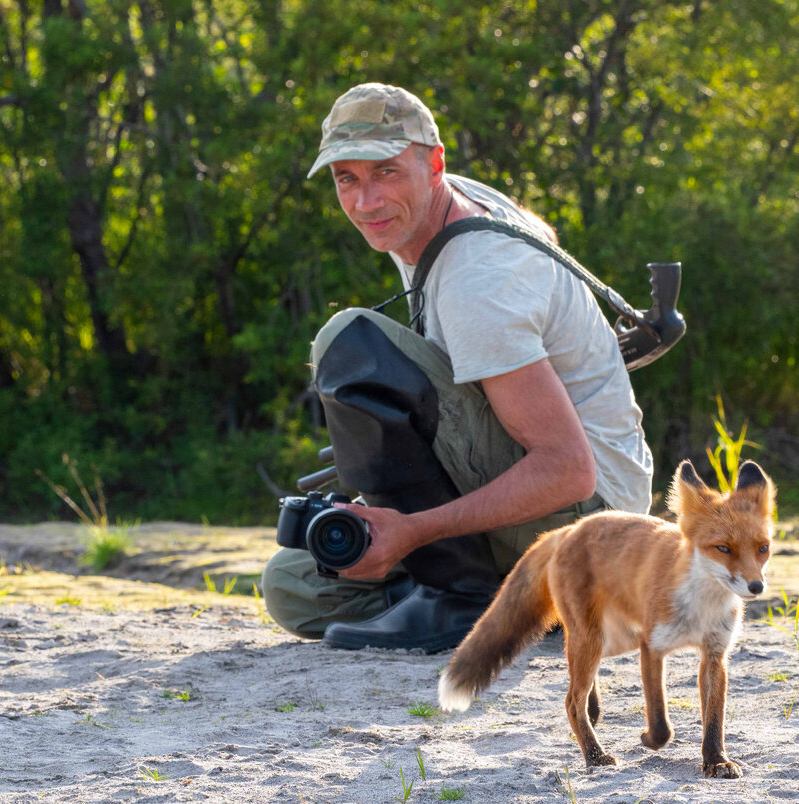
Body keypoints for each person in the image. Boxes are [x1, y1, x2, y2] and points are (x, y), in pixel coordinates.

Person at [261, 83, 653, 652]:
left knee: (349, 343)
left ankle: (457, 596)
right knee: (295, 584)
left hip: (595, 523)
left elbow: (570, 470)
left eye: (386, 172)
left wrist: (414, 529)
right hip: (562, 514)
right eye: (347, 178)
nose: (366, 201)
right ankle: (526, 600)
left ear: (434, 164)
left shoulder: (478, 283)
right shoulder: (444, 203)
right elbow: (540, 234)